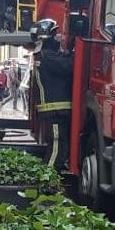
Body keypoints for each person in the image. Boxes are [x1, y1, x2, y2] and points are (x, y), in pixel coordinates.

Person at [30, 19, 74, 170]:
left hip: (55, 110)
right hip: (55, 111)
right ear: (45, 38)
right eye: (55, 34)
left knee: (60, 146)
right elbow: (69, 66)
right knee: (57, 148)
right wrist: (75, 50)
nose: (58, 37)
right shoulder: (47, 56)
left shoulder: (45, 55)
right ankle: (46, 183)